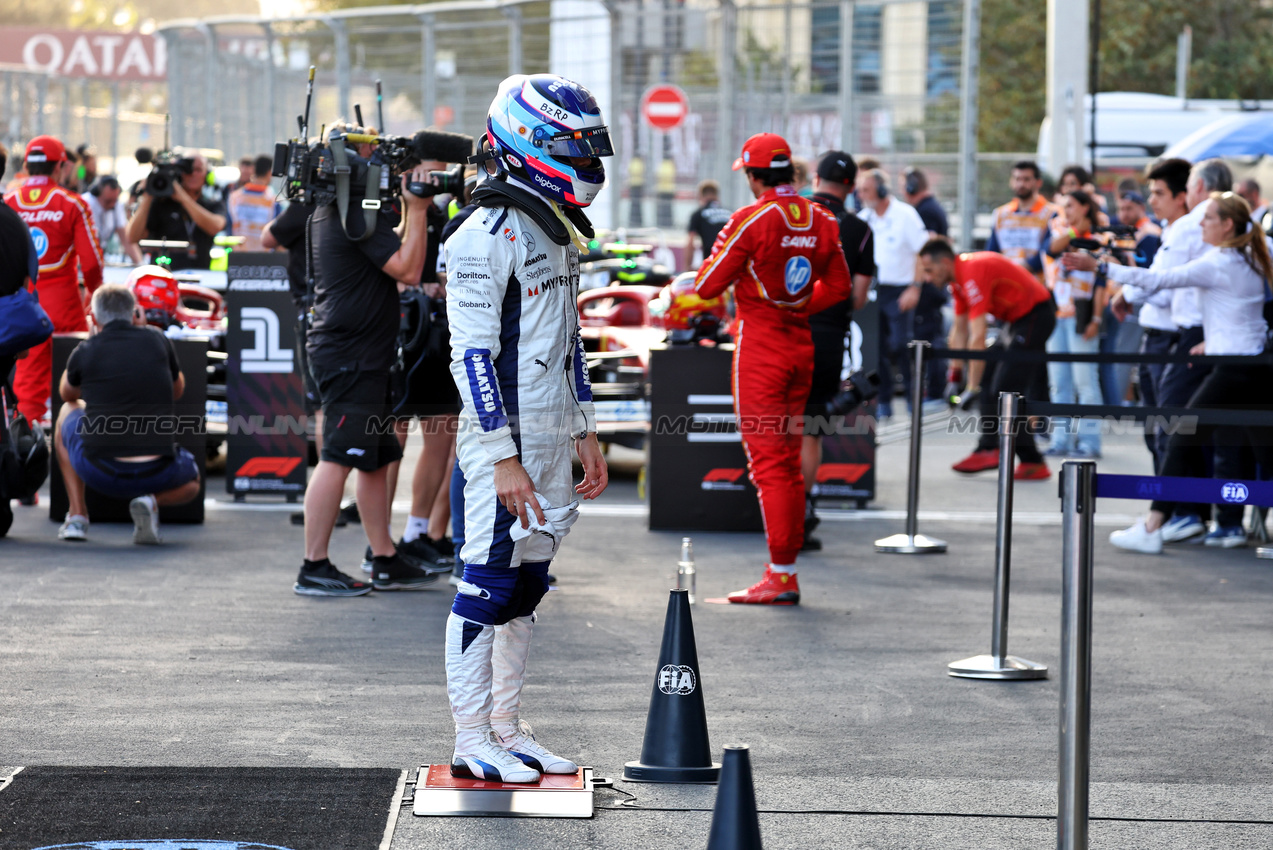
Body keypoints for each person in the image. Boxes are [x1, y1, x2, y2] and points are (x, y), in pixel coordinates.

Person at [443, 73, 610, 783]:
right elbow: (471, 357)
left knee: (527, 587)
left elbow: (567, 342)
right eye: (577, 145)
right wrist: (501, 458)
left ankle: (507, 729)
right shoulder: (484, 233)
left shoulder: (551, 224)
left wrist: (585, 428)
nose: (589, 159)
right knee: (484, 585)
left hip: (549, 435)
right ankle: (470, 735)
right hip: (501, 444)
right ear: (531, 142)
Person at [695, 132, 853, 605]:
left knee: (770, 465)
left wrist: (763, 295)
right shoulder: (822, 218)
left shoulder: (751, 218)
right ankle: (782, 570)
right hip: (799, 346)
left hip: (761, 351)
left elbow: (705, 286)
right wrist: (798, 304)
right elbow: (840, 285)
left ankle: (782, 574)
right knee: (785, 460)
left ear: (753, 174)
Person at [296, 138, 439, 597]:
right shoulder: (353, 210)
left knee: (376, 459)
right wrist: (416, 211)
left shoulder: (336, 208)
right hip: (350, 355)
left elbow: (386, 257)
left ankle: (384, 556)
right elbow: (409, 269)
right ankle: (313, 565)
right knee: (339, 457)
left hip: (362, 354)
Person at [1092, 193, 1273, 553]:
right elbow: (1245, 313)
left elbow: (1158, 280)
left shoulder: (1221, 262)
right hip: (1252, 365)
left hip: (1234, 369)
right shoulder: (1255, 254)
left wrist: (1100, 267)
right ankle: (1160, 525)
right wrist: (1217, 342)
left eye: (1208, 218)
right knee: (1265, 452)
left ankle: (1152, 526)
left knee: (1180, 437)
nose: (1200, 223)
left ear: (1227, 225)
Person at [53, 284, 202, 545]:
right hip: (158, 473)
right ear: (135, 313)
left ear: (94, 318)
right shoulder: (158, 340)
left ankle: (77, 516)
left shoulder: (87, 350)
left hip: (99, 471)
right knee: (193, 481)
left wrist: (90, 344)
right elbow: (178, 390)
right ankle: (150, 501)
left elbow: (66, 394)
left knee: (68, 411)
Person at [919, 241, 1055, 480]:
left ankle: (994, 449)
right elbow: (959, 332)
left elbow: (978, 336)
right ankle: (1021, 458)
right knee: (992, 384)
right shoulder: (958, 281)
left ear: (944, 263)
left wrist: (970, 386)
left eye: (929, 270)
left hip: (1036, 315)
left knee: (1005, 390)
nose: (927, 278)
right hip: (1017, 320)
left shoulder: (971, 272)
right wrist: (955, 377)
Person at [4, 135, 104, 427]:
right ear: (60, 166)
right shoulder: (72, 203)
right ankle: (72, 449)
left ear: (26, 165)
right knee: (75, 385)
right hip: (66, 309)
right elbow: (93, 264)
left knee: (28, 389)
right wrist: (93, 296)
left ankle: (27, 449)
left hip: (23, 309)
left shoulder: (8, 203)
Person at [803, 150, 875, 551]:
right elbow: (859, 298)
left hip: (781, 328)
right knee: (810, 429)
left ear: (815, 179)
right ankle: (802, 509)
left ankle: (771, 509)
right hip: (828, 336)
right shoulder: (860, 229)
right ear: (850, 188)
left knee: (774, 425)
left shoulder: (788, 215)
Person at [856, 167, 929, 418]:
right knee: (876, 350)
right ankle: (883, 401)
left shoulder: (905, 215)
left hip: (901, 289)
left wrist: (915, 287)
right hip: (875, 290)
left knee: (900, 345)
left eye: (866, 189)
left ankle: (913, 399)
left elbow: (923, 252)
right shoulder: (865, 218)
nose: (862, 194)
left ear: (882, 189)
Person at [1042, 190, 1109, 458]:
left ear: (1084, 207)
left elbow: (1103, 281)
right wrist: (1072, 233)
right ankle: (1061, 440)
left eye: (1070, 206)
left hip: (1083, 312)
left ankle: (1090, 443)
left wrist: (1096, 318)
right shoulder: (1059, 228)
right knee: (1059, 382)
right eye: (1062, 206)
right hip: (1056, 311)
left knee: (1085, 381)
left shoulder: (1100, 236)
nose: (1065, 211)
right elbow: (1050, 249)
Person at [125, 150, 227, 271]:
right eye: (188, 170)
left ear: (206, 174)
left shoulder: (212, 203)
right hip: (162, 277)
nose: (193, 174)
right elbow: (132, 237)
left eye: (198, 170)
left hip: (201, 276)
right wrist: (148, 195)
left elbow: (215, 226)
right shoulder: (161, 204)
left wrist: (182, 197)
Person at [901, 165, 951, 403]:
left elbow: (927, 249)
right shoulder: (927, 208)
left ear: (912, 187)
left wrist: (918, 282)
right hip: (930, 281)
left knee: (929, 337)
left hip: (930, 283)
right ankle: (934, 391)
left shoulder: (926, 211)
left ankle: (934, 392)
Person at [985, 160, 1055, 279]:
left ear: (1038, 183)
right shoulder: (1000, 214)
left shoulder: (1052, 213)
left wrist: (1019, 269)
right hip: (1007, 284)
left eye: (1026, 179)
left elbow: (1048, 251)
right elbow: (992, 252)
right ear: (1011, 182)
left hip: (1038, 285)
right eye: (1017, 179)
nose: (1021, 184)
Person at [227, 155, 280, 252]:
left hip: (237, 257)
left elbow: (229, 228)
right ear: (269, 173)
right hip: (265, 260)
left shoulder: (234, 197)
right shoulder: (273, 201)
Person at [84, 176, 143, 263]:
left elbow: (126, 239)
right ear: (97, 194)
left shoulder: (116, 205)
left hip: (99, 254)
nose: (112, 205)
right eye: (108, 201)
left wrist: (140, 264)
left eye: (114, 201)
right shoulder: (85, 203)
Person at [685, 180, 731, 271]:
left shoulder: (699, 214)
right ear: (717, 196)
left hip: (712, 263)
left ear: (701, 196)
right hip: (731, 263)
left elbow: (690, 243)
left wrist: (687, 268)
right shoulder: (730, 213)